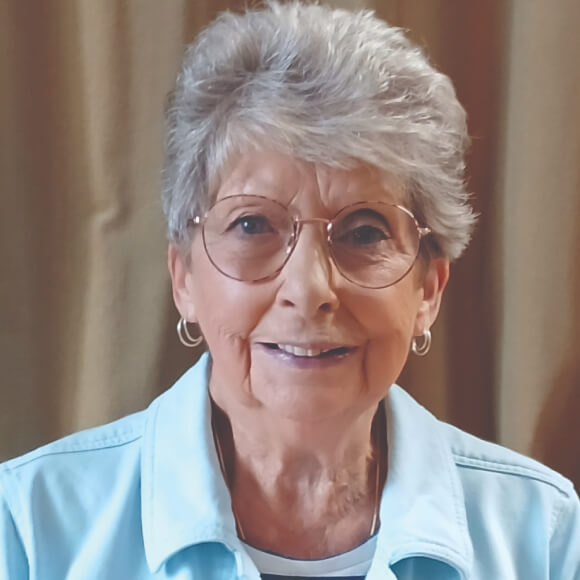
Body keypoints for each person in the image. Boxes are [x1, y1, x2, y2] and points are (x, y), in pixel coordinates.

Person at [1, 2, 579, 578]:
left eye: (364, 232)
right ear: (183, 277)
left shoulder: (544, 536)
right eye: (252, 225)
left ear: (428, 288)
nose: (308, 289)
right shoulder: (29, 531)